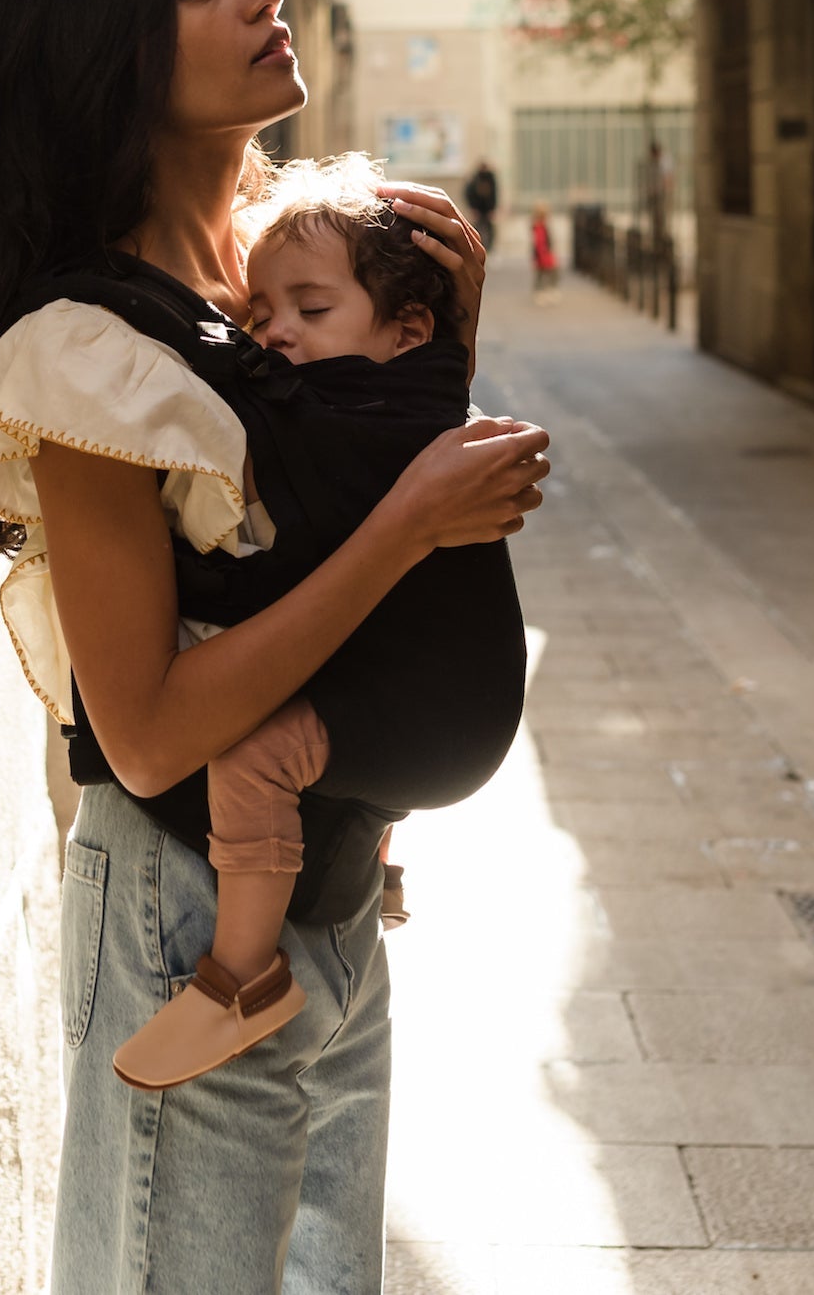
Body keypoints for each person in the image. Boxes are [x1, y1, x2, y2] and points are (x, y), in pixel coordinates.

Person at [0, 0, 550, 1294]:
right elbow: (151, 728)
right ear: (111, 65)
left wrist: (426, 367)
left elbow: (336, 523)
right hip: (188, 910)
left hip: (326, 890)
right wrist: (406, 520)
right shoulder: (89, 354)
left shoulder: (260, 299)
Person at [106, 153, 530, 1092]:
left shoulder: (337, 422)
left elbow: (282, 551)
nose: (278, 337)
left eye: (313, 309)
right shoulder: (422, 391)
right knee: (337, 702)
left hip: (435, 721)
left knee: (256, 756)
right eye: (261, 315)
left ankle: (240, 978)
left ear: (405, 328)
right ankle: (379, 872)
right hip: (447, 713)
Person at [462, 159, 500, 250]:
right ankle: (478, 246)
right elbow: (469, 193)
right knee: (478, 229)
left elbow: (494, 194)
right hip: (478, 209)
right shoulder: (475, 179)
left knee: (489, 229)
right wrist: (473, 207)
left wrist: (493, 207)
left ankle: (488, 247)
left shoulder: (490, 179)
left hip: (487, 209)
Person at [530, 202, 561, 299]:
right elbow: (540, 243)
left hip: (542, 255)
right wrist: (544, 255)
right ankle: (544, 291)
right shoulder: (540, 227)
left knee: (542, 275)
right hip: (544, 255)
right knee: (548, 274)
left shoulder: (539, 227)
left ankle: (542, 291)